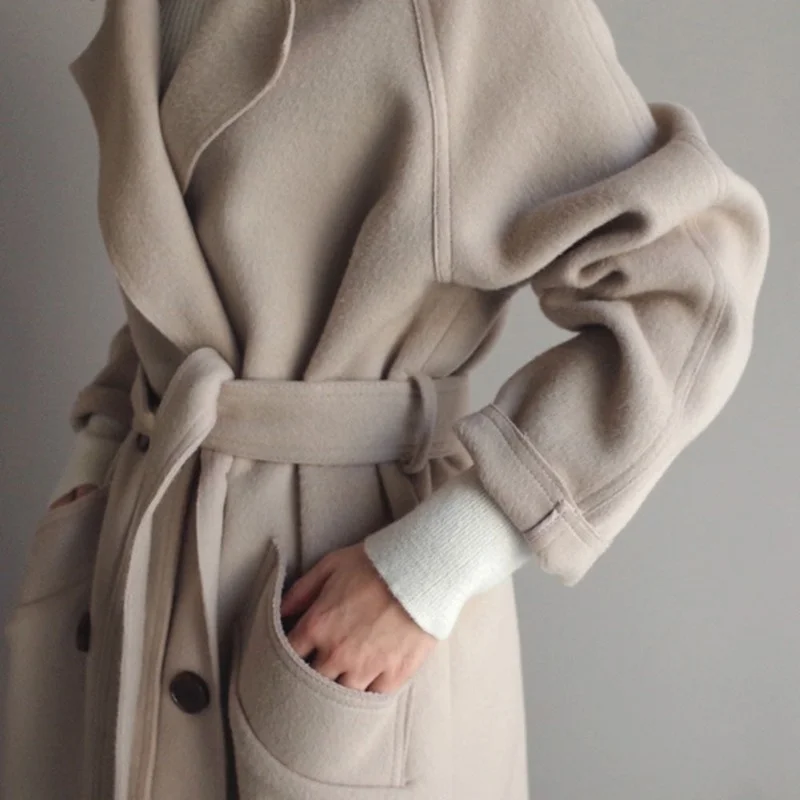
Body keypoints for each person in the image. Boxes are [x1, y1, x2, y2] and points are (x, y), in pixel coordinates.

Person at [4, 0, 769, 798]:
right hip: (143, 560)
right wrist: (95, 455)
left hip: (335, 584)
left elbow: (690, 289)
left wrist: (435, 567)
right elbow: (187, 280)